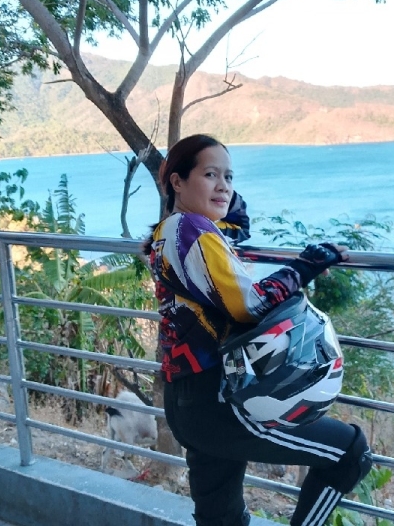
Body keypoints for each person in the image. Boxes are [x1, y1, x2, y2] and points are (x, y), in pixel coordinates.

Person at [143, 134, 372, 526]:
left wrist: (217, 191)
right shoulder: (192, 232)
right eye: (210, 174)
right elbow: (250, 305)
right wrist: (307, 265)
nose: (223, 186)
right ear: (177, 181)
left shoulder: (169, 232)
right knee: (349, 453)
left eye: (229, 177)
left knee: (222, 520)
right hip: (217, 402)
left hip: (186, 399)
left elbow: (238, 225)